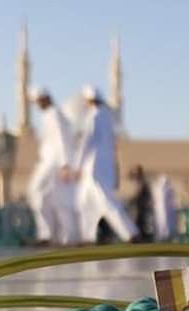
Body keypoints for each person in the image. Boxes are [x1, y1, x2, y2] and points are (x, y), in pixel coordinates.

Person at [73, 85, 139, 244]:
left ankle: (131, 234)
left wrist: (75, 167)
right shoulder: (107, 117)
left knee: (107, 203)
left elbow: (86, 143)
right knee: (84, 203)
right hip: (102, 168)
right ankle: (87, 237)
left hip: (95, 170)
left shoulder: (94, 117)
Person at [28, 87, 79, 245]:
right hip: (51, 161)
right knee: (54, 199)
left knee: (35, 190)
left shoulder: (54, 114)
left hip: (53, 162)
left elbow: (61, 138)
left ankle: (50, 235)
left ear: (44, 99)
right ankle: (57, 236)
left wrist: (65, 164)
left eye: (38, 101)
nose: (37, 104)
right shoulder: (50, 115)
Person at [127, 165, 153, 240]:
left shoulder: (142, 180)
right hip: (141, 205)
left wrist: (133, 200)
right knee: (140, 221)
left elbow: (141, 193)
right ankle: (141, 236)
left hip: (143, 205)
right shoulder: (141, 180)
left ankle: (143, 236)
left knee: (141, 221)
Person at [152, 174, 177, 241]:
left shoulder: (168, 188)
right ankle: (162, 235)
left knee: (167, 222)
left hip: (167, 209)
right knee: (160, 222)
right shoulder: (158, 188)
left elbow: (171, 199)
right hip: (160, 209)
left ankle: (167, 235)